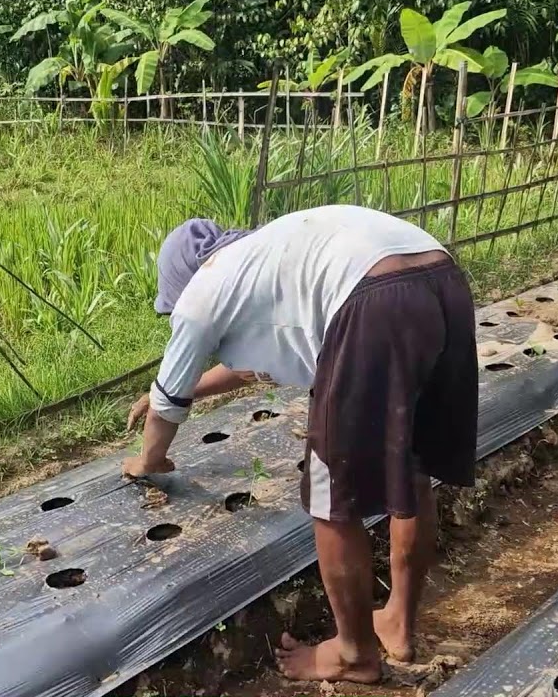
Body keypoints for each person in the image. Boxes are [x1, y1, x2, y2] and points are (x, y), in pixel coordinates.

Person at [122, 204, 478, 683]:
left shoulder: (201, 291)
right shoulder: (261, 261)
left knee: (331, 496)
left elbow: (167, 407)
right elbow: (250, 364)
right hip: (440, 277)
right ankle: (397, 622)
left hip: (374, 300)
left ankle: (354, 654)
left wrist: (148, 459)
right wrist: (182, 388)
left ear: (180, 282)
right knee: (410, 467)